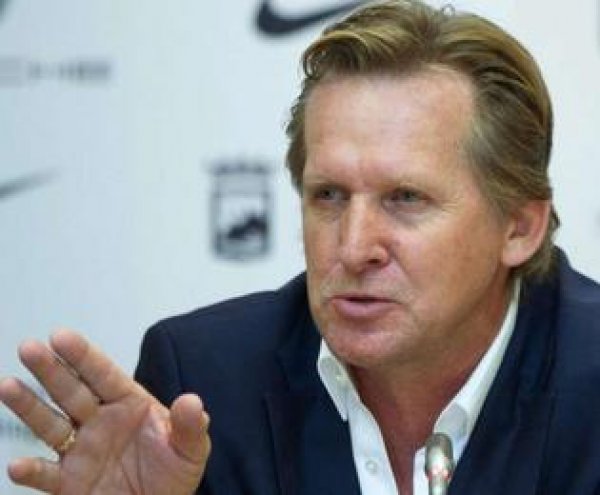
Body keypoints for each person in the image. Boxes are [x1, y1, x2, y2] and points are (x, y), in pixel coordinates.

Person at [2, 0, 600, 493]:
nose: (354, 247)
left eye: (406, 198)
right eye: (329, 196)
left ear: (519, 228)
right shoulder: (204, 382)